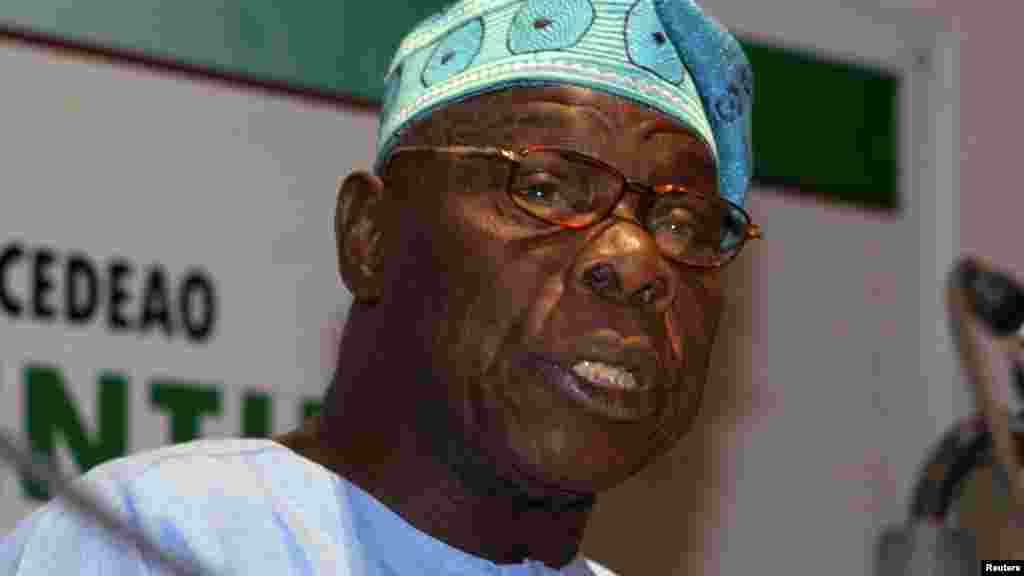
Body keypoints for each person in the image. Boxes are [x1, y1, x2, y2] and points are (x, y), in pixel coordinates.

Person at [0, 0, 758, 573]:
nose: (638, 258)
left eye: (688, 227)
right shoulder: (156, 541)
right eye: (545, 187)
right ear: (368, 235)